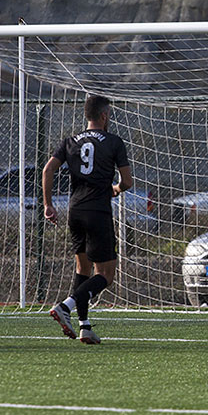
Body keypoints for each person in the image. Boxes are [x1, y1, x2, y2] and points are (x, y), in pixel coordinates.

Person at [44, 95, 133, 345]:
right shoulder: (114, 142)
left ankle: (84, 326)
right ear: (104, 116)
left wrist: (48, 205)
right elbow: (127, 182)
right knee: (105, 274)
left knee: (82, 269)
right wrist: (115, 188)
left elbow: (47, 169)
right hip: (98, 212)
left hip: (75, 211)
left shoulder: (70, 141)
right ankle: (66, 306)